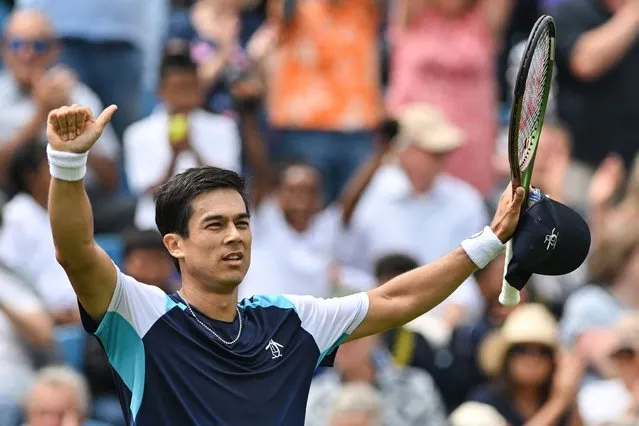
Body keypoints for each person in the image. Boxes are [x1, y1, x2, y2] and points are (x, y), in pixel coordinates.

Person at [45, 102, 526, 425]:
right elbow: (76, 252)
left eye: (242, 222)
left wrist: (490, 239)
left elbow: (396, 299)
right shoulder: (140, 316)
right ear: (176, 245)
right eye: (215, 226)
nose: (234, 235)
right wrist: (67, 167)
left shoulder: (291, 321)